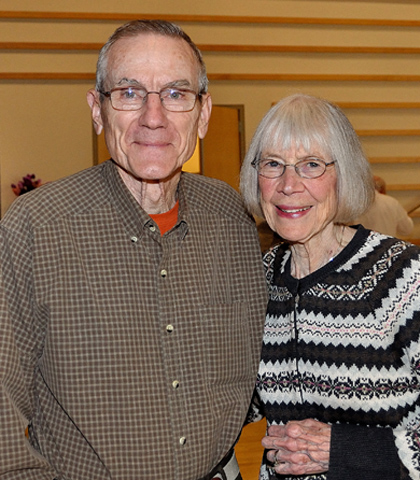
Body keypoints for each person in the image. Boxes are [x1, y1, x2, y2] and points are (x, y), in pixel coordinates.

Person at [0, 20, 267, 479]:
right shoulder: (35, 227)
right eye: (128, 92)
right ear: (97, 109)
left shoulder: (231, 218)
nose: (153, 116)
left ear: (203, 114)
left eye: (176, 94)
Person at [240, 93, 420, 480]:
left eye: (311, 165)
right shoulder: (260, 278)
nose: (289, 185)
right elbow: (240, 399)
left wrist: (346, 450)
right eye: (273, 164)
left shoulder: (402, 276)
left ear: (345, 174)